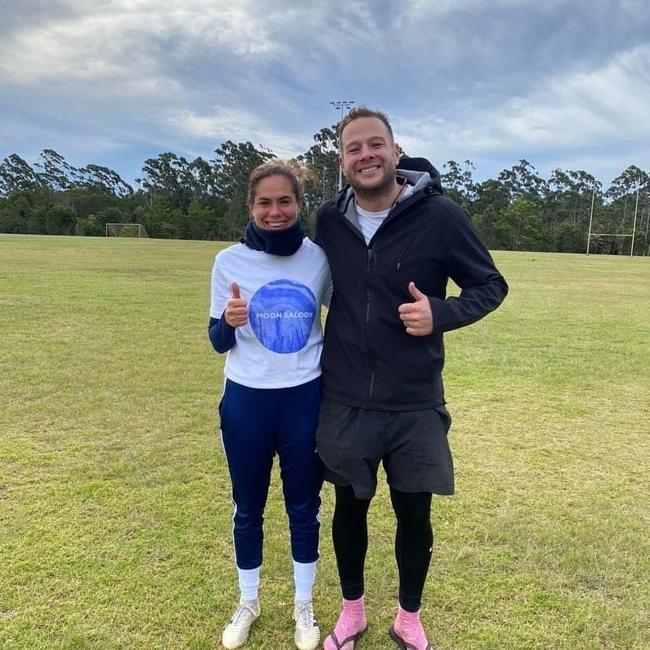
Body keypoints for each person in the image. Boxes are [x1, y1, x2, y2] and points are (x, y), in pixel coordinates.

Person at [314, 107, 508, 650]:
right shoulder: (329, 220)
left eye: (376, 144)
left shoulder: (440, 216)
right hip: (346, 396)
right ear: (342, 161)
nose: (366, 155)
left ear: (396, 152)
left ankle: (408, 617)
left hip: (415, 402)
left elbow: (490, 285)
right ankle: (351, 614)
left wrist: (439, 315)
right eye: (354, 148)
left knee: (413, 513)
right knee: (349, 508)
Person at [208, 161, 331, 650]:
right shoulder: (228, 262)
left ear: (298, 205)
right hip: (246, 400)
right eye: (265, 202)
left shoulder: (319, 259)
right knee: (248, 507)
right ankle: (249, 602)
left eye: (285, 201)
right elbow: (217, 340)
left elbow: (344, 316)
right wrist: (230, 321)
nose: (275, 211)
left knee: (304, 508)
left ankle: (304, 606)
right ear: (250, 206)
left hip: (305, 397)